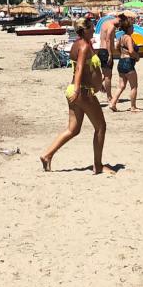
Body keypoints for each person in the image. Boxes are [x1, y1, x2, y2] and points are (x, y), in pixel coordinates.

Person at [40, 19, 107, 174]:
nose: (93, 30)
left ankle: (47, 155)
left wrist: (98, 82)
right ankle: (98, 165)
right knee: (101, 126)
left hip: (75, 90)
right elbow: (79, 68)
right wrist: (78, 90)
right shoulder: (83, 46)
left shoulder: (78, 44)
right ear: (85, 30)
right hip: (82, 92)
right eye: (91, 27)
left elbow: (88, 69)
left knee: (73, 129)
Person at [97, 12, 135, 102]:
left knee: (105, 74)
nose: (121, 26)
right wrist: (110, 54)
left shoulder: (105, 23)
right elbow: (108, 40)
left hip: (101, 50)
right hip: (106, 51)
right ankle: (109, 97)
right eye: (121, 23)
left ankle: (99, 84)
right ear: (119, 20)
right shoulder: (112, 26)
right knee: (108, 76)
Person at [109, 26, 140, 112]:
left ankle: (113, 103)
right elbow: (131, 51)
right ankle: (133, 107)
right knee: (134, 86)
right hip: (128, 62)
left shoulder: (121, 37)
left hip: (121, 61)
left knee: (121, 86)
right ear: (128, 28)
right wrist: (137, 57)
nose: (133, 29)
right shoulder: (128, 38)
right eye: (132, 28)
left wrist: (122, 52)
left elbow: (116, 47)